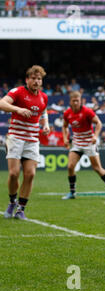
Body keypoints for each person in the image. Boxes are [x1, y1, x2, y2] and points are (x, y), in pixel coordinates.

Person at [1, 65, 49, 219]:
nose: (36, 81)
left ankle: (21, 209)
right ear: (27, 80)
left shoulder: (43, 97)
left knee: (30, 174)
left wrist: (46, 123)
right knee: (14, 173)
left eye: (39, 79)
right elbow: (2, 103)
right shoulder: (18, 92)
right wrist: (18, 110)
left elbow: (43, 110)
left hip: (32, 140)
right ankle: (12, 201)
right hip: (15, 137)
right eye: (33, 78)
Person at [61, 91, 105, 200]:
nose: (76, 102)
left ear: (81, 100)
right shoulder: (67, 113)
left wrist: (95, 136)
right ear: (70, 102)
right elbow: (64, 126)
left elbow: (99, 123)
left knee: (97, 168)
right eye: (74, 101)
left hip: (89, 143)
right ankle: (72, 193)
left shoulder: (87, 111)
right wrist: (65, 138)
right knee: (70, 166)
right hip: (77, 143)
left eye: (78, 100)